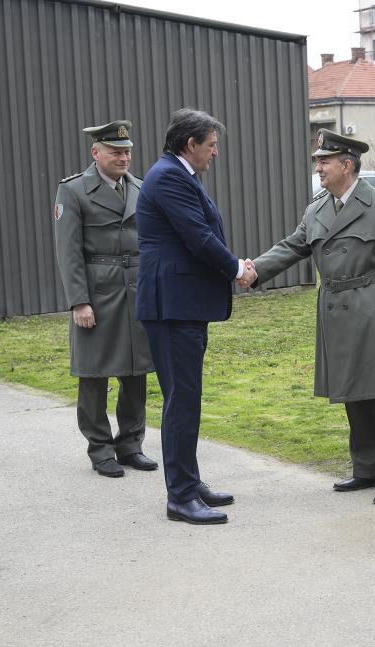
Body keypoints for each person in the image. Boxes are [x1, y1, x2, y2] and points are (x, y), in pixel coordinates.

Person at [244, 130, 375, 506]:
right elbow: (293, 246)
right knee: (353, 391)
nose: (318, 167)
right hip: (336, 309)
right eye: (317, 161)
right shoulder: (317, 208)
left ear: (347, 165)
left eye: (324, 161)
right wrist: (255, 270)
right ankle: (366, 468)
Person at [135, 108, 246, 525]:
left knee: (185, 398)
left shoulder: (178, 175)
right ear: (190, 145)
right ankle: (180, 495)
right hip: (172, 306)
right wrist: (237, 269)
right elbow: (198, 238)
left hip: (181, 304)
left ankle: (187, 480)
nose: (214, 153)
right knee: (182, 400)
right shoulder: (168, 177)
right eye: (211, 145)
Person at [53, 120, 157, 478]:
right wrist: (78, 301)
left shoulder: (141, 189)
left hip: (137, 289)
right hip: (97, 294)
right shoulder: (74, 191)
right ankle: (100, 449)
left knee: (136, 370)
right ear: (95, 152)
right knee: (94, 374)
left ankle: (131, 443)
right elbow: (68, 253)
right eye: (115, 151)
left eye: (126, 151)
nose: (123, 157)